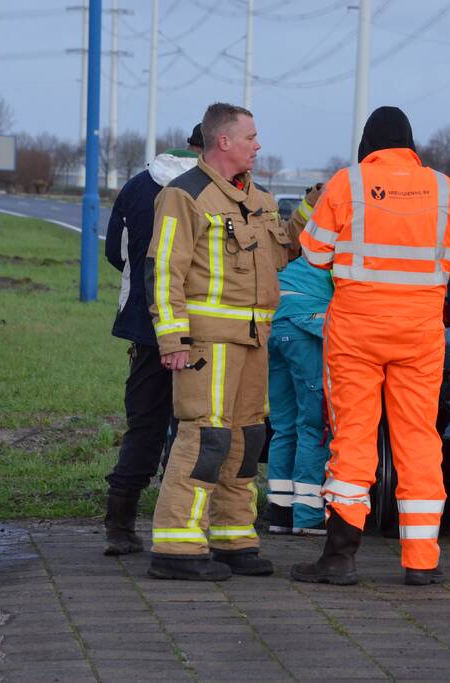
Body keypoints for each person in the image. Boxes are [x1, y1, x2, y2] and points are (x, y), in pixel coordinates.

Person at [292, 106, 450, 587]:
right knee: (418, 438)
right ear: (410, 144)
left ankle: (339, 557)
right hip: (419, 334)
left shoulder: (347, 183)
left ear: (368, 146)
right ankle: (421, 560)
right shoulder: (444, 188)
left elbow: (313, 253)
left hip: (356, 330)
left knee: (353, 437)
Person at [146, 102, 320, 581]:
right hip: (207, 344)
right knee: (206, 436)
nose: (258, 145)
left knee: (246, 440)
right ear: (223, 141)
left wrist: (310, 210)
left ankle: (232, 536)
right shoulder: (185, 195)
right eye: (251, 137)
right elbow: (164, 271)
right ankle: (177, 545)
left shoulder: (260, 198)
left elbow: (281, 250)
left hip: (254, 340)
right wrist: (172, 340)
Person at [102, 124, 203, 556]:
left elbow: (115, 253)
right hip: (203, 331)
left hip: (147, 328)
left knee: (144, 424)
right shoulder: (213, 190)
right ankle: (185, 520)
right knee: (196, 429)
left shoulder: (137, 185)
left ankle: (120, 526)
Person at [264, 245, 334, 536]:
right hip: (308, 323)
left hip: (276, 322)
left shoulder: (316, 244)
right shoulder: (351, 240)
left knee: (284, 426)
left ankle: (280, 514)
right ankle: (308, 516)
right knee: (314, 425)